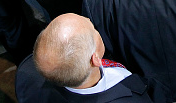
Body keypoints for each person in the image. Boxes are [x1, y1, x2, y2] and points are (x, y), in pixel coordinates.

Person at [15, 13, 157, 103]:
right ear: (94, 59)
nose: (89, 19)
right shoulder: (132, 99)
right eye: (93, 29)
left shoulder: (26, 72)